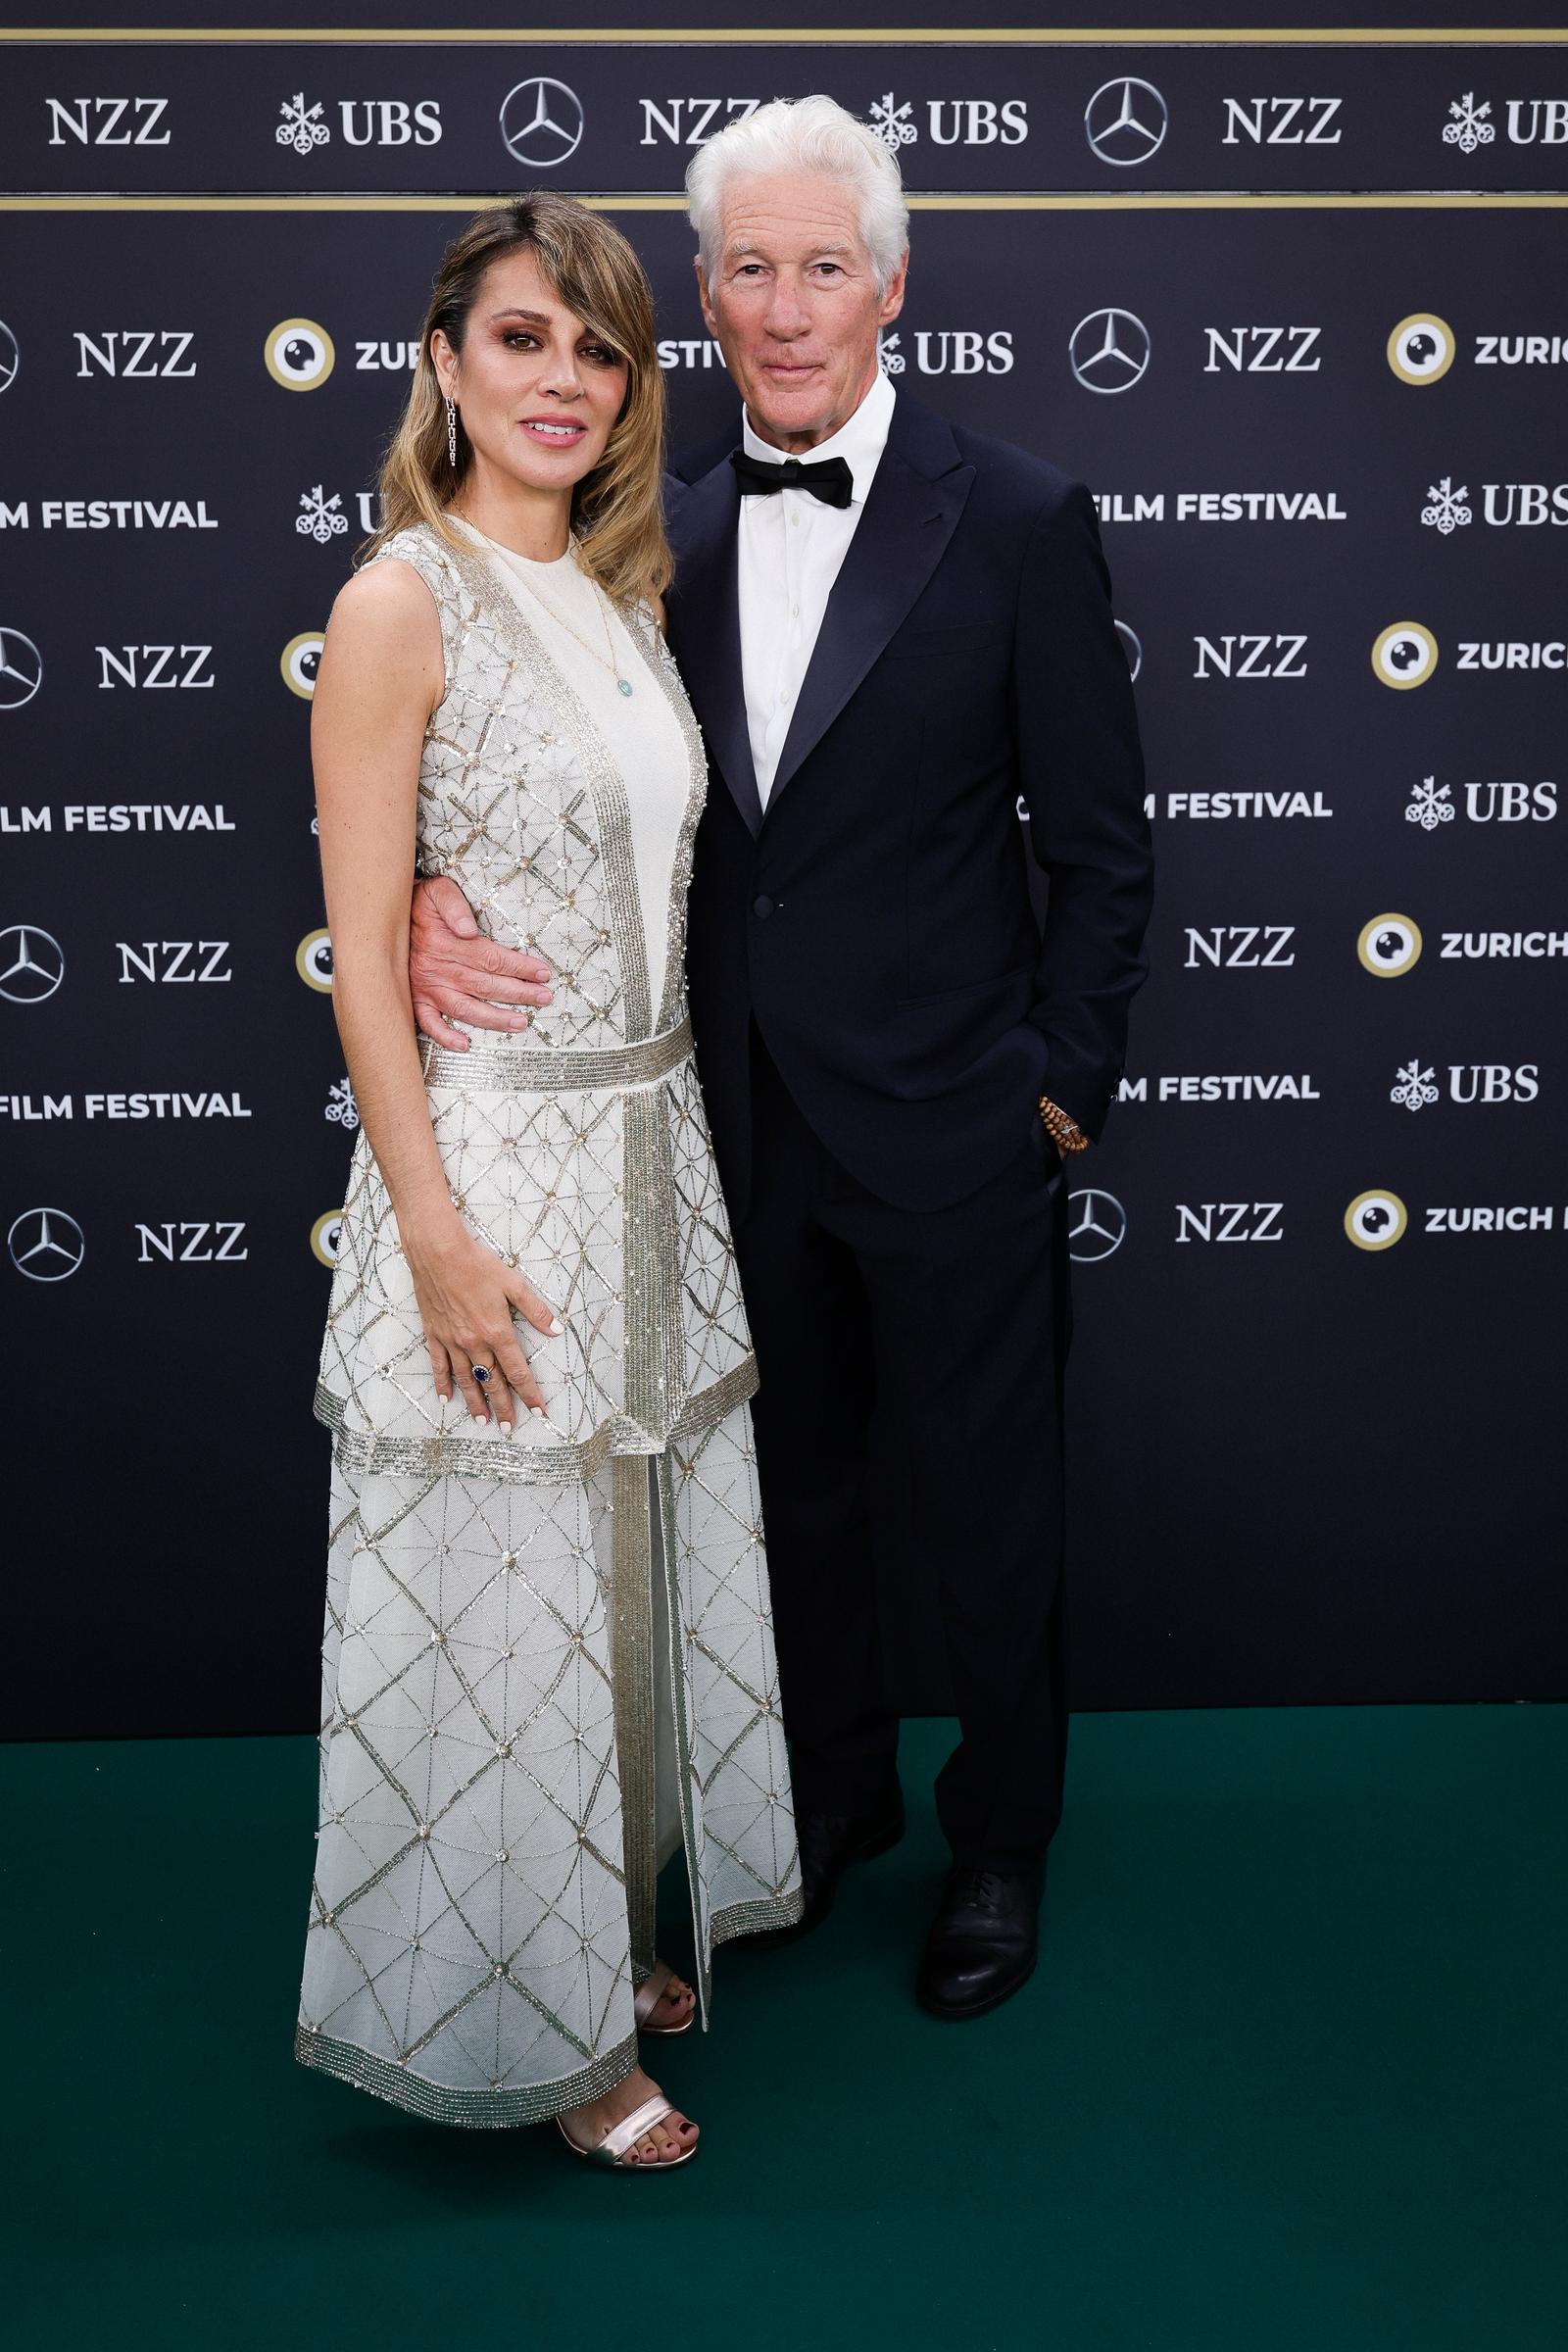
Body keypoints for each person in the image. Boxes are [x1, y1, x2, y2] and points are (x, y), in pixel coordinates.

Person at [410, 98, 1153, 2023]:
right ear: (705, 299)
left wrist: (1055, 1087)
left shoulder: (1012, 514)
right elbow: (551, 763)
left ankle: (1001, 1841)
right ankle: (823, 1818)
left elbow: (1095, 846)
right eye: (747, 266)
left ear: (890, 285)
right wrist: (426, 901)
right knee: (786, 1503)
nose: (786, 304)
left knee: (986, 1514)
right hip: (725, 1122)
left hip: (956, 1122)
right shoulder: (650, 526)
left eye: (824, 264)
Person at [297, 193, 801, 2170]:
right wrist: (426, 1230)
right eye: (521, 339)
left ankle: (596, 1933)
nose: (562, 382)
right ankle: (550, 2040)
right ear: (442, 361)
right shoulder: (393, 600)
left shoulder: (625, 593)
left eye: (598, 351)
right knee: (498, 1605)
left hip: (648, 1150)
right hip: (492, 1162)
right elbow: (360, 951)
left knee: (611, 1568)